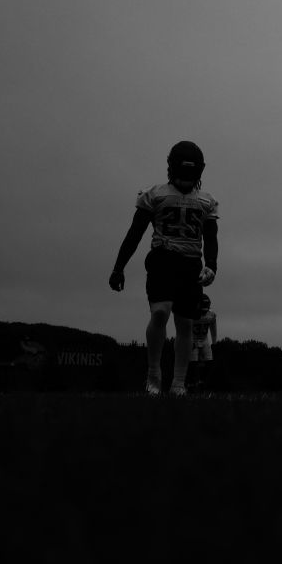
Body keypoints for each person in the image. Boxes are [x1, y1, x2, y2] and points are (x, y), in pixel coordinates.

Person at [109, 140, 220, 396]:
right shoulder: (155, 194)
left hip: (191, 262)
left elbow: (212, 238)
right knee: (160, 312)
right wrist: (119, 267)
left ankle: (179, 382)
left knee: (185, 323)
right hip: (162, 258)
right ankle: (154, 374)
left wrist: (212, 265)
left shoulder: (207, 201)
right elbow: (135, 233)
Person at [189, 293, 218, 391]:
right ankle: (191, 383)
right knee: (193, 362)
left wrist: (214, 342)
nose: (204, 312)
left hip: (204, 338)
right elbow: (184, 328)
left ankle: (202, 382)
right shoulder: (191, 314)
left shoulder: (211, 315)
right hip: (192, 338)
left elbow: (213, 329)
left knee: (209, 361)